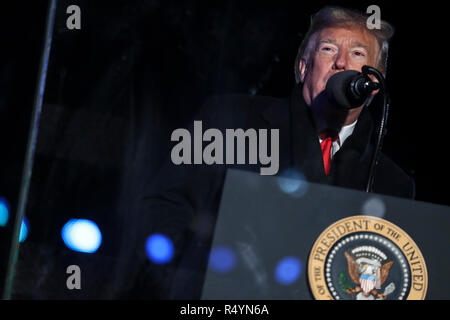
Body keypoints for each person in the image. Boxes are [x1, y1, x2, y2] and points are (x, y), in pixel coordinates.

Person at [127, 6, 414, 299]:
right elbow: (165, 207)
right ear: (304, 67)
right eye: (329, 49)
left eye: (357, 54)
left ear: (373, 84)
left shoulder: (392, 183)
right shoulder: (230, 120)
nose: (341, 62)